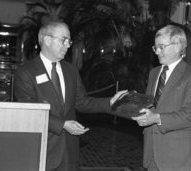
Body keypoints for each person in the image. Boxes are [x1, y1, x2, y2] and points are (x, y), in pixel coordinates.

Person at [14, 21, 126, 171]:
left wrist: (109, 102)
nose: (68, 45)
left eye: (69, 41)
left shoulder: (70, 70)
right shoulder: (26, 72)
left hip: (69, 150)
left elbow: (82, 102)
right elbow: (29, 113)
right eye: (64, 40)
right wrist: (63, 125)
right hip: (41, 148)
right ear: (47, 40)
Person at [132, 24, 191, 171]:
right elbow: (151, 106)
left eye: (161, 47)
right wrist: (132, 102)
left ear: (178, 46)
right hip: (151, 154)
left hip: (177, 157)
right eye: (155, 47)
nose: (157, 52)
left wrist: (158, 118)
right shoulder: (154, 73)